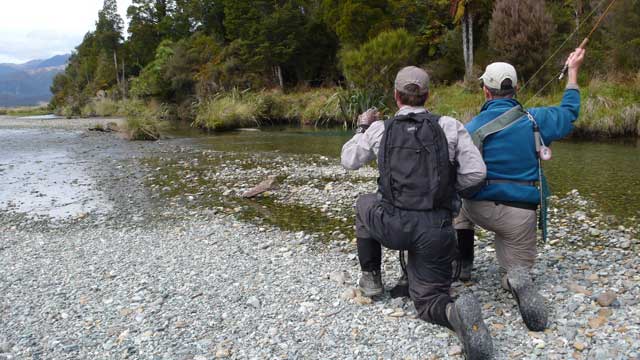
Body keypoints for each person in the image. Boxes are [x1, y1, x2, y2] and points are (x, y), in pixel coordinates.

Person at [341, 66, 492, 359]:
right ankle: (453, 313)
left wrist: (362, 127)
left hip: (391, 225)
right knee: (428, 301)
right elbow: (476, 173)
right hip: (435, 229)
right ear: (427, 95)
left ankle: (372, 279)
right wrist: (448, 190)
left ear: (396, 96)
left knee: (363, 204)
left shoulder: (379, 129)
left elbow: (348, 160)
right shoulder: (449, 126)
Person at [454, 48, 586, 332]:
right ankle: (516, 279)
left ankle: (463, 265)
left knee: (457, 203)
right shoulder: (536, 119)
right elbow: (569, 111)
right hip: (520, 217)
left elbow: (458, 174)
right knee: (514, 271)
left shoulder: (471, 128)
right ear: (516, 89)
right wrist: (573, 72)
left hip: (479, 210)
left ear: (485, 93)